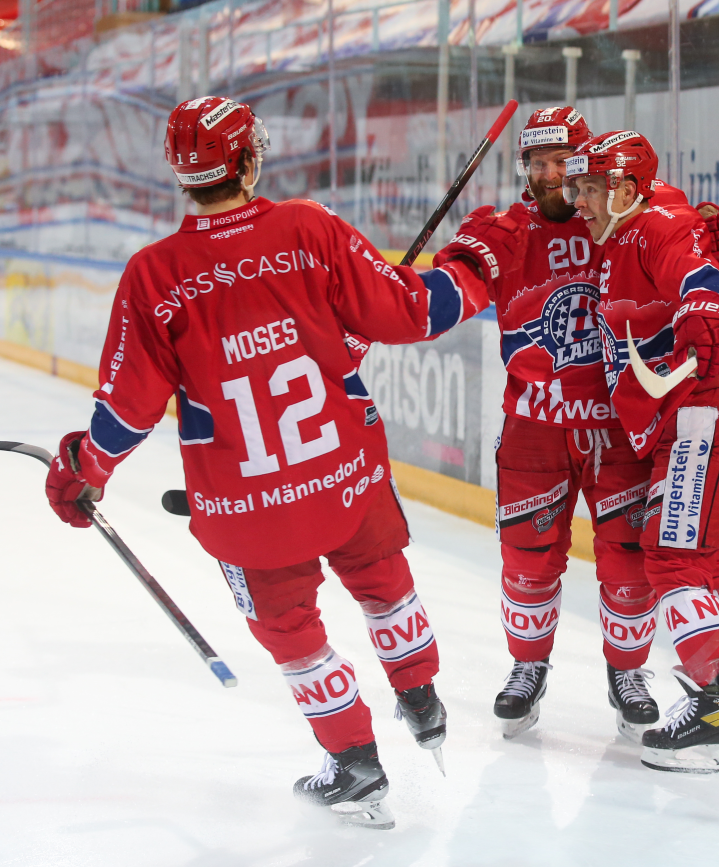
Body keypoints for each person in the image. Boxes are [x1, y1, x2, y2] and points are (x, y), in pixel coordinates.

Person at [43, 96, 527, 828]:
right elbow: (413, 312)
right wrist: (474, 262)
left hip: (247, 505)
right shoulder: (307, 227)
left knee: (294, 631)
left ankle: (356, 762)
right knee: (383, 579)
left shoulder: (154, 275)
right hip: (345, 475)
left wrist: (83, 470)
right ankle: (420, 694)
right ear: (243, 160)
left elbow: (126, 412)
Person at [435, 106, 719, 743]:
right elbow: (457, 280)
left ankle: (630, 674)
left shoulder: (630, 210)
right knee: (527, 558)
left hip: (621, 428)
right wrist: (407, 299)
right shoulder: (504, 229)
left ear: (594, 168)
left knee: (632, 564)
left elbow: (690, 240)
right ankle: (527, 667)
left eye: (565, 163)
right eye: (537, 163)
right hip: (536, 424)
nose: (553, 177)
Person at [564, 129, 719, 775]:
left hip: (702, 413)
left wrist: (705, 317)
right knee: (711, 561)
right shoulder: (634, 227)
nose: (580, 202)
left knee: (673, 560)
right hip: (711, 411)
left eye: (591, 189)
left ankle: (709, 714)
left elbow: (703, 278)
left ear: (625, 188)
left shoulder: (656, 224)